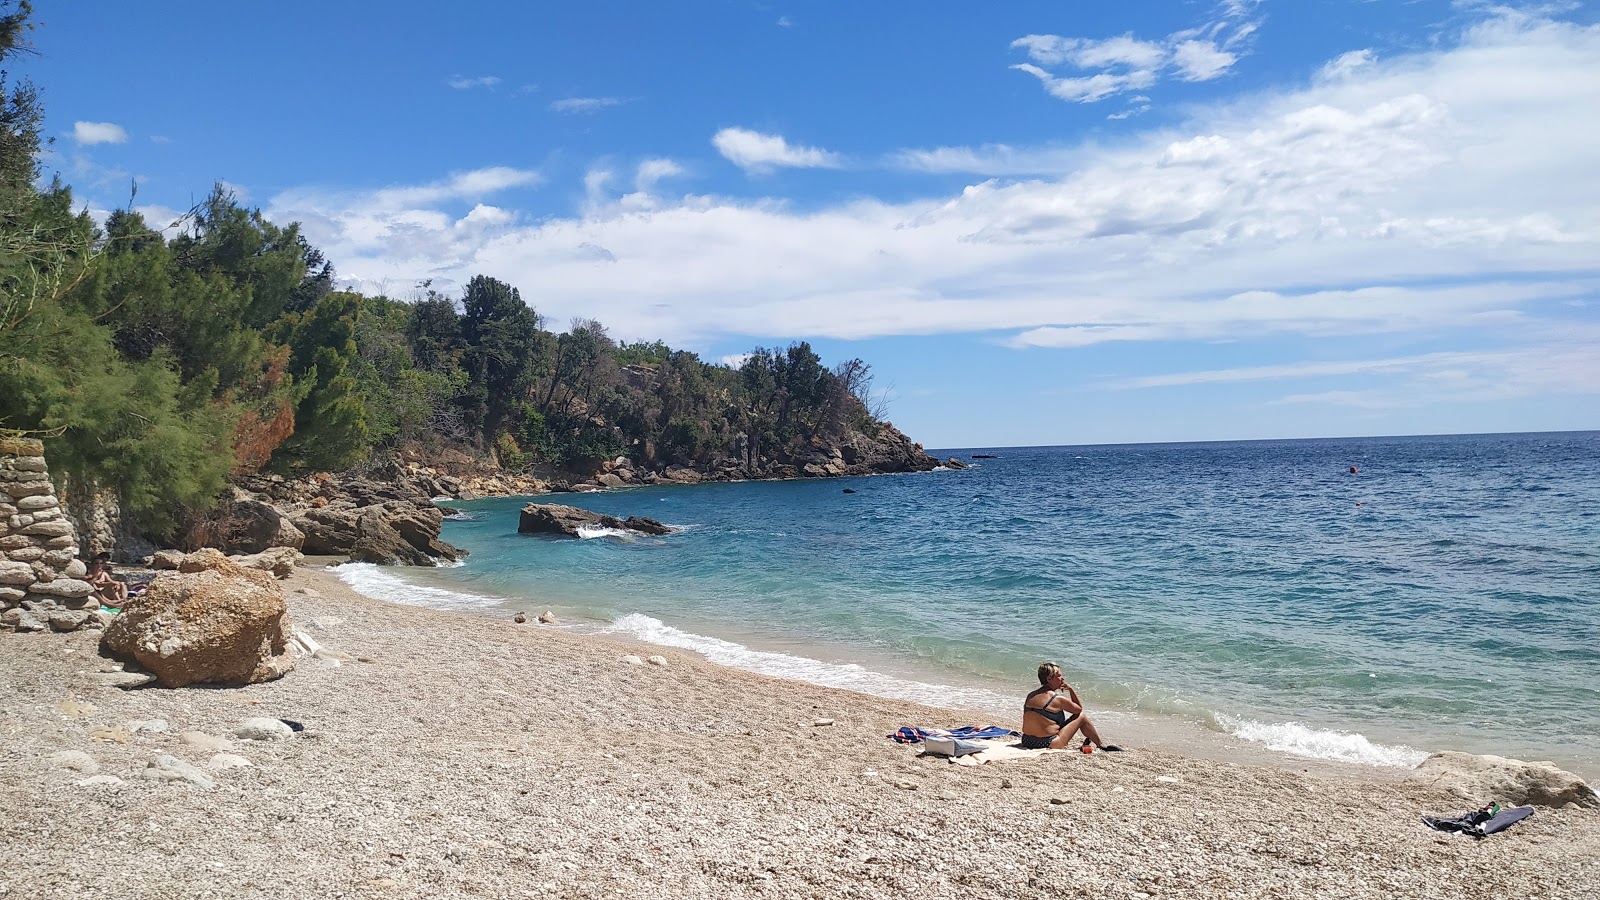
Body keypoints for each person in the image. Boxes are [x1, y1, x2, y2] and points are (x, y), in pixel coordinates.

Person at [1021, 661, 1122, 751]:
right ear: (1049, 679)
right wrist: (1071, 690)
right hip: (1047, 743)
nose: (1062, 678)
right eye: (1059, 676)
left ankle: (1096, 743)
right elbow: (1078, 710)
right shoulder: (1057, 699)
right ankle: (1100, 745)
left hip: (1026, 741)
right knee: (1081, 716)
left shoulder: (1031, 695)